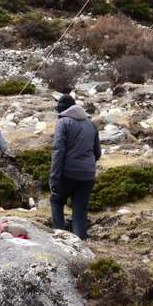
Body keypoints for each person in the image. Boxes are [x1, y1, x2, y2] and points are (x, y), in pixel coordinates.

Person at [50, 93, 100, 239]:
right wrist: (87, 166)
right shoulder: (91, 124)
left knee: (56, 201)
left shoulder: (63, 122)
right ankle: (80, 242)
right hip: (88, 175)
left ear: (61, 109)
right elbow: (97, 153)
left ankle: (60, 238)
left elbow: (58, 152)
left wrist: (54, 179)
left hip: (68, 173)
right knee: (79, 210)